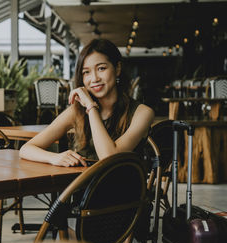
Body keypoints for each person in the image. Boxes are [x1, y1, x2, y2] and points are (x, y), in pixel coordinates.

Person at [20, 38, 154, 166]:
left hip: (124, 188)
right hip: (84, 187)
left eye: (101, 68)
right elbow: (26, 149)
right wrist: (54, 157)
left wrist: (91, 107)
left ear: (117, 68)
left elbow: (109, 158)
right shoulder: (76, 111)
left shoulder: (142, 113)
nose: (94, 78)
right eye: (86, 72)